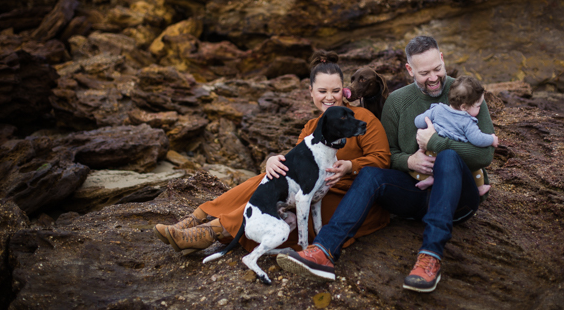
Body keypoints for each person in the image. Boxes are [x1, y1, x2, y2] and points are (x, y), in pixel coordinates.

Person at [277, 36, 495, 293]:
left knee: (447, 156)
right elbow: (387, 154)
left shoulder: (466, 91)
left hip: (459, 198)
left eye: (437, 69)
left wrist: (436, 142)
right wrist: (410, 159)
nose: (434, 78)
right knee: (370, 174)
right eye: (424, 73)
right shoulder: (397, 102)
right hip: (415, 196)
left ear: (443, 59)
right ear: (409, 70)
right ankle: (324, 250)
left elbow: (485, 157)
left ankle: (430, 257)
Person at [153, 50, 391, 255]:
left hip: (350, 198)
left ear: (344, 91)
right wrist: (272, 161)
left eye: (335, 90)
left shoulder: (362, 118)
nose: (329, 97)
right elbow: (298, 169)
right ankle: (195, 218)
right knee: (268, 178)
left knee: (281, 201)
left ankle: (209, 232)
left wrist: (350, 166)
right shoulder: (312, 127)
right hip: (314, 192)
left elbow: (382, 160)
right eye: (322, 91)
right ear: (311, 93)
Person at [412, 75, 498, 196]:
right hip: (452, 158)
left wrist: (426, 122)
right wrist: (491, 139)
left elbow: (418, 121)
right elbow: (477, 139)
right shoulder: (467, 122)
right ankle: (478, 187)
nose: (480, 109)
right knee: (475, 168)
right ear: (464, 107)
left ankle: (431, 178)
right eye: (478, 106)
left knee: (436, 164)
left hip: (431, 153)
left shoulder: (438, 109)